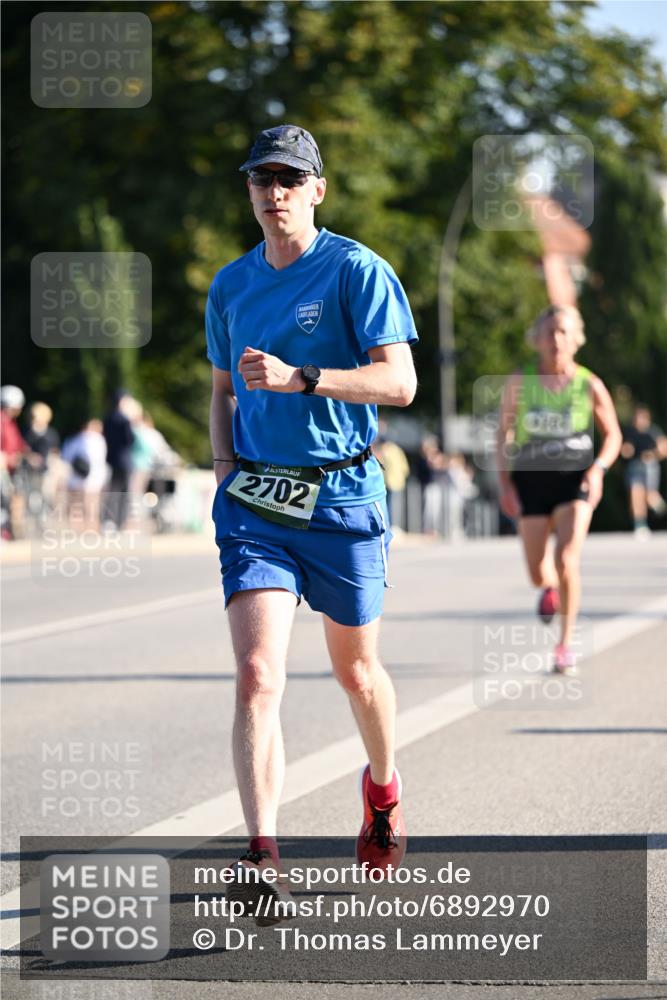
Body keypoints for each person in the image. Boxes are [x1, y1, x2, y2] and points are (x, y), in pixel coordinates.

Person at [206, 124, 418, 921]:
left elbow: (398, 383)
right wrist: (224, 473)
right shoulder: (230, 285)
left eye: (290, 177)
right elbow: (223, 390)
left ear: (317, 189)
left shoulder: (356, 270)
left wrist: (303, 379)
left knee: (355, 672)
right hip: (257, 503)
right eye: (261, 177)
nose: (274, 190)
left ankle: (383, 789)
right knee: (258, 673)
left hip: (341, 497)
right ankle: (261, 854)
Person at [497, 305, 622, 673]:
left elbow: (613, 434)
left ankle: (565, 645)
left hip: (574, 481)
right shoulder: (521, 381)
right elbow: (502, 434)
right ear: (537, 339)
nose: (556, 340)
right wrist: (504, 484)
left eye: (563, 332)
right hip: (531, 481)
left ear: (576, 339)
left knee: (567, 559)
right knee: (538, 572)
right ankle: (548, 590)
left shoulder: (589, 384)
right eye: (549, 332)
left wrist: (598, 470)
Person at [621, 404, 667, 538]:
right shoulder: (630, 432)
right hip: (634, 466)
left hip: (649, 467)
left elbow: (663, 449)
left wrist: (652, 454)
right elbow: (626, 448)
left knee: (650, 497)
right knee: (636, 495)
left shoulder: (653, 431)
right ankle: (640, 525)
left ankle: (660, 507)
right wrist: (626, 451)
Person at [61, 419, 108, 529]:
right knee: (92, 502)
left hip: (77, 475)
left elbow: (66, 456)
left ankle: (76, 526)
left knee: (76, 503)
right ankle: (91, 526)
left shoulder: (75, 439)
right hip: (93, 477)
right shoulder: (99, 440)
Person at [102, 390, 135, 529]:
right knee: (124, 493)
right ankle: (120, 522)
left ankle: (108, 520)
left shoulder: (107, 418)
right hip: (124, 461)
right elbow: (130, 440)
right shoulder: (125, 420)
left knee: (112, 492)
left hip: (111, 459)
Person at [0, 385, 28, 539]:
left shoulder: (10, 423)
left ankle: (8, 531)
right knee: (3, 500)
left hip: (10, 469)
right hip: (2, 468)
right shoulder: (2, 421)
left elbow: (19, 444)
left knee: (10, 499)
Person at [374, 420, 410, 527]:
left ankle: (389, 525)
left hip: (387, 483)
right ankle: (394, 525)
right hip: (398, 483)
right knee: (395, 506)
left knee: (388, 505)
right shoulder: (398, 450)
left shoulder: (383, 451)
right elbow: (405, 468)